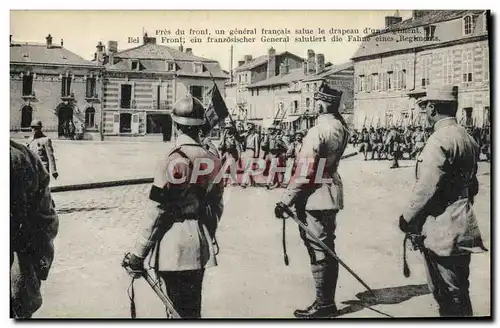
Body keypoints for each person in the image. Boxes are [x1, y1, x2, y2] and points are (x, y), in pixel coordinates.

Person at [122, 94, 224, 318]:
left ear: (176, 127)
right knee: (192, 310)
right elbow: (216, 208)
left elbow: (157, 211)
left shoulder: (170, 160)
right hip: (199, 243)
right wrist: (206, 233)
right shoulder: (213, 160)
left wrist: (139, 254)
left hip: (173, 247)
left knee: (176, 310)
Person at [399, 86, 487, 317]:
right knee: (459, 289)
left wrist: (407, 219)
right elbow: (473, 185)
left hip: (441, 225)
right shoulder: (467, 138)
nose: (424, 114)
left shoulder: (438, 140)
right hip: (463, 219)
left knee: (446, 292)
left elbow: (425, 188)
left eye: (424, 109)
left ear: (431, 108)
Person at [275, 82, 349, 318]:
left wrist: (285, 200)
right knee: (327, 247)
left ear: (322, 103)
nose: (314, 104)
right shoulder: (341, 127)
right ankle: (326, 301)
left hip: (314, 196)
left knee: (319, 250)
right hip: (329, 193)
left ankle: (324, 304)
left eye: (317, 100)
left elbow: (306, 171)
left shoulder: (318, 131)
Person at [10, 140, 59, 318]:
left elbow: (45, 220)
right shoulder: (24, 152)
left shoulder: (24, 155)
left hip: (17, 278)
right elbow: (46, 221)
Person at [241, 122, 260, 188]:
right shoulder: (245, 134)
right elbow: (239, 138)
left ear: (253, 127)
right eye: (247, 125)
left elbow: (257, 145)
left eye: (250, 125)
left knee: (247, 167)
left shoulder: (256, 135)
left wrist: (256, 155)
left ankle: (244, 182)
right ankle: (251, 181)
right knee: (247, 167)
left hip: (252, 151)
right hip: (246, 151)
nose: (248, 126)